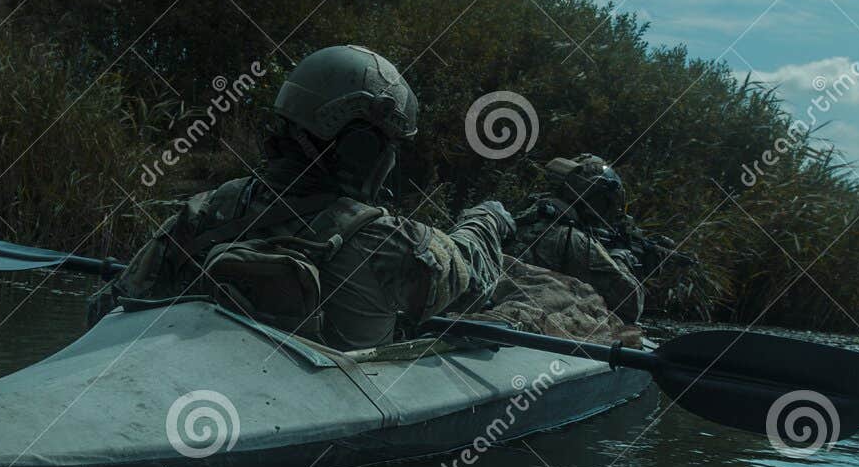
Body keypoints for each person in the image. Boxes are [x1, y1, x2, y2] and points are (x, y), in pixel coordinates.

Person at [115, 45, 515, 350]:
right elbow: (473, 274)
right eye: (388, 146)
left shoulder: (203, 211)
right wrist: (488, 218)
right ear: (360, 149)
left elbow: (114, 308)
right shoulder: (391, 244)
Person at [507, 154, 647, 323]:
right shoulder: (573, 239)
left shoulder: (525, 217)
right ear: (597, 200)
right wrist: (620, 258)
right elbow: (632, 305)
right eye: (606, 202)